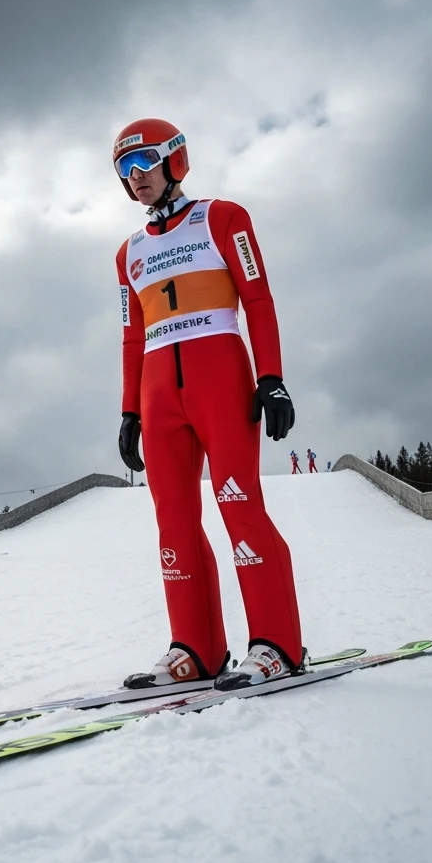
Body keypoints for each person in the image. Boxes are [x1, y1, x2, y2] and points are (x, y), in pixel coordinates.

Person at [113, 118, 304, 691]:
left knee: (239, 504)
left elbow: (259, 298)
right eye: (123, 170)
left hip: (219, 380)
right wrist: (130, 411)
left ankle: (278, 644)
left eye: (142, 162)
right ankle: (195, 647)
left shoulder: (224, 218)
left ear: (175, 160)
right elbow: (130, 336)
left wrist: (270, 377)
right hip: (157, 391)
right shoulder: (128, 253)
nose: (134, 178)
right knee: (172, 521)